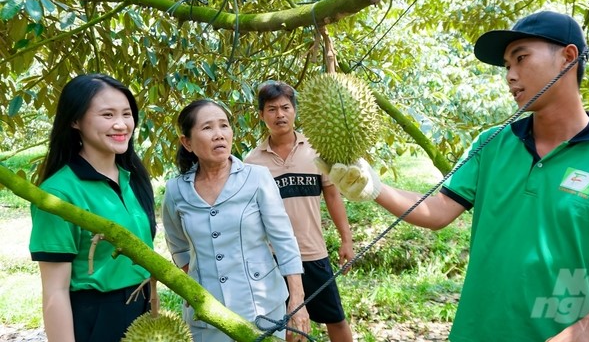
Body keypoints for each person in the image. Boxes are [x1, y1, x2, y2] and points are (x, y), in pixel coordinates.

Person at [316, 11, 589, 341]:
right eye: (506, 65)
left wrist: (575, 337)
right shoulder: (491, 144)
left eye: (521, 58)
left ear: (568, 57)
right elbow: (437, 210)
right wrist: (373, 187)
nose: (510, 76)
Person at [161, 99, 310, 342]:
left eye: (224, 125)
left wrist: (297, 300)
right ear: (186, 142)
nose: (219, 134)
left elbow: (283, 240)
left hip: (263, 310)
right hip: (206, 314)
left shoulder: (257, 178)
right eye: (207, 128)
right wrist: (197, 284)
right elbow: (177, 245)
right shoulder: (176, 190)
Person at [29, 74, 156, 342]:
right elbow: (55, 291)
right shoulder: (58, 194)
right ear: (75, 121)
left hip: (142, 309)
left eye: (126, 114)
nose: (121, 124)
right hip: (96, 318)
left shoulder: (132, 177)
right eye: (107, 115)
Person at [244, 81, 355, 342]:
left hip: (313, 251)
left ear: (295, 110)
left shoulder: (317, 151)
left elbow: (332, 195)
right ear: (261, 115)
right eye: (271, 109)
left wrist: (346, 239)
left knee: (335, 318)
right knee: (289, 325)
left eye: (285, 107)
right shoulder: (252, 162)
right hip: (274, 257)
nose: (279, 115)